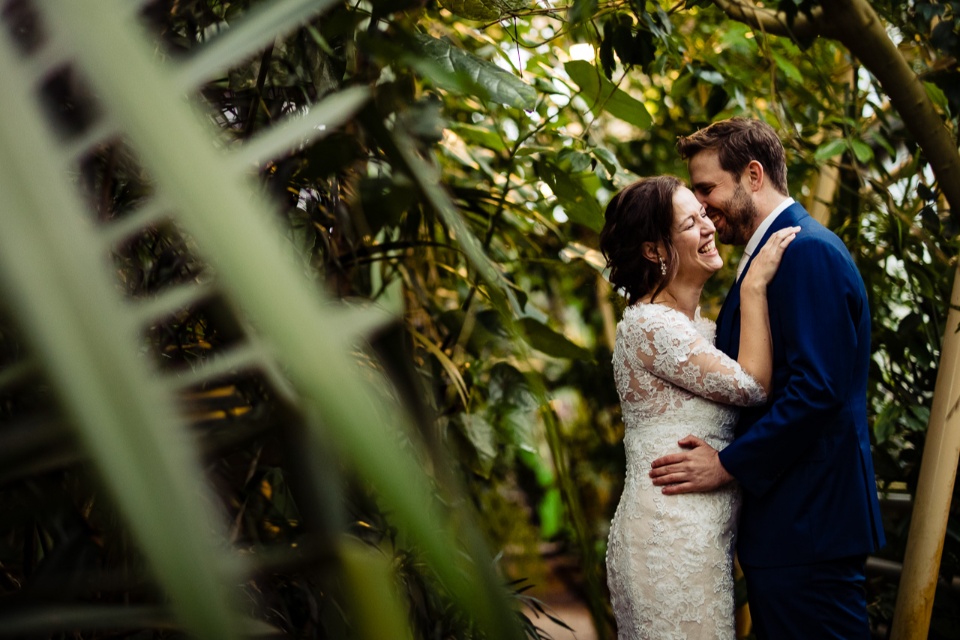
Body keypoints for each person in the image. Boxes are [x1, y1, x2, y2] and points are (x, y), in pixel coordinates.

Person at [649, 117, 886, 639]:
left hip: (809, 525)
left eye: (708, 188)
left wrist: (727, 465)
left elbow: (816, 389)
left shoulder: (807, 253)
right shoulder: (769, 256)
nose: (703, 206)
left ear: (753, 175)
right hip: (790, 527)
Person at [599, 174, 799, 639]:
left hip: (701, 544)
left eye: (704, 214)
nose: (708, 225)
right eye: (692, 221)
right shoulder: (649, 326)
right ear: (655, 250)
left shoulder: (697, 330)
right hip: (669, 544)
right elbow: (752, 386)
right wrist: (752, 288)